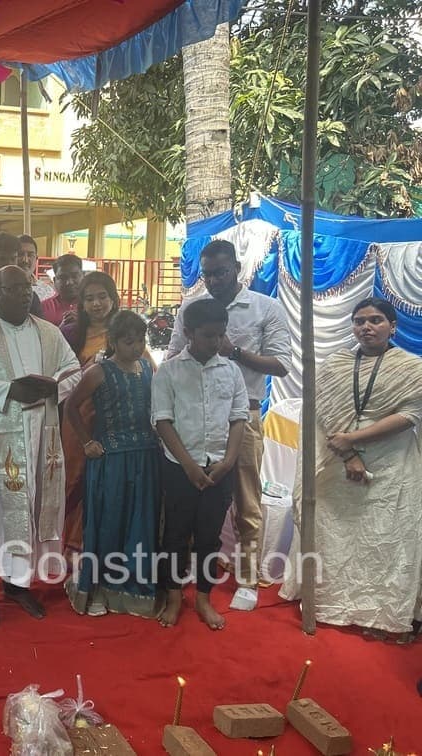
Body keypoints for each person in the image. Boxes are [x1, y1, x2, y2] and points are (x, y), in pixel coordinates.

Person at [280, 298, 422, 641]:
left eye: (375, 320)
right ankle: (334, 604)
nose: (366, 327)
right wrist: (347, 454)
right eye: (359, 321)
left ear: (393, 326)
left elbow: (410, 415)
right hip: (337, 467)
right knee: (339, 538)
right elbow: (321, 416)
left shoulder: (412, 367)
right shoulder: (335, 365)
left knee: (387, 540)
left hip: (392, 467)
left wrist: (354, 439)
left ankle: (385, 614)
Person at [0, 265, 80, 624]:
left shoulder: (49, 334)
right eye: (15, 288)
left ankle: (17, 583)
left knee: (26, 507)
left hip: (39, 433)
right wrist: (9, 390)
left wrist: (53, 387)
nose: (25, 294)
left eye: (28, 288)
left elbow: (73, 371)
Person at [167, 239, 289, 611]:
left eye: (221, 272)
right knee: (190, 496)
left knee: (246, 500)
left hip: (244, 416)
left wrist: (232, 351)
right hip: (193, 416)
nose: (214, 281)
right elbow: (172, 356)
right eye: (207, 274)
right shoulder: (189, 307)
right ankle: (190, 567)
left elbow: (281, 364)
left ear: (237, 268)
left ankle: (248, 578)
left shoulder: (264, 307)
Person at [152, 298, 248, 631]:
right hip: (180, 467)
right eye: (209, 335)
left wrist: (228, 461)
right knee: (176, 536)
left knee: (209, 538)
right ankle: (175, 596)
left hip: (220, 467)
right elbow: (162, 421)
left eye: (220, 335)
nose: (216, 342)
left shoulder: (231, 371)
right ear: (189, 333)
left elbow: (239, 418)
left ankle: (204, 598)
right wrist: (189, 466)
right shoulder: (170, 371)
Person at [64, 311, 161, 618]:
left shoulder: (147, 368)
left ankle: (131, 590)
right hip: (110, 461)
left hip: (145, 457)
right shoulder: (99, 372)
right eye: (129, 341)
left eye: (141, 340)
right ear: (113, 341)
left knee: (140, 524)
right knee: (108, 524)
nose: (136, 347)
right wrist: (86, 442)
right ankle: (94, 588)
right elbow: (71, 406)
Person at [60, 271, 122, 554]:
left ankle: (103, 544)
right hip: (79, 418)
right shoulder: (73, 334)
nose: (97, 304)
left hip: (117, 419)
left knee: (109, 482)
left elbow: (146, 369)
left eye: (102, 297)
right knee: (75, 478)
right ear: (81, 304)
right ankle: (73, 545)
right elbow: (62, 375)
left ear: (113, 298)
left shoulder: (126, 331)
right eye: (89, 298)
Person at [40, 255, 83, 327]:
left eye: (74, 276)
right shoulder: (43, 308)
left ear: (83, 277)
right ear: (54, 280)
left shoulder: (95, 306)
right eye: (63, 277)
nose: (69, 282)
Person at [19, 234, 55, 301]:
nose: (25, 260)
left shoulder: (47, 292)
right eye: (20, 254)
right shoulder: (2, 289)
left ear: (36, 258)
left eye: (30, 255)